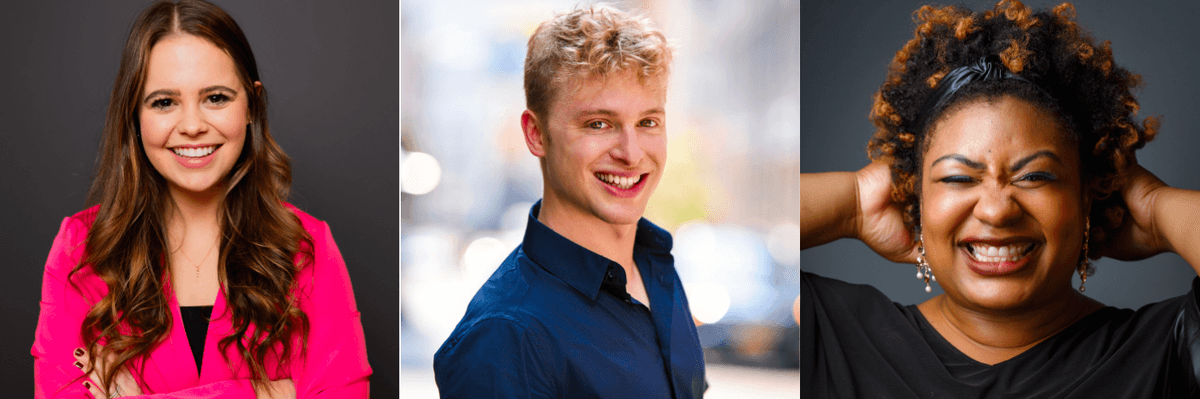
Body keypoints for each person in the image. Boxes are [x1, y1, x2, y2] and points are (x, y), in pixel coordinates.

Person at [800, 0, 1200, 397]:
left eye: (1035, 176)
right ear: (914, 200)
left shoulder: (1166, 353)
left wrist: (1154, 205)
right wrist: (854, 202)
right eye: (958, 178)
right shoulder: (832, 334)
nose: (996, 210)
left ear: (1084, 196)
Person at [30, 1, 370, 397]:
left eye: (216, 98)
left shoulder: (308, 249)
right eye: (163, 102)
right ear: (134, 117)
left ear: (251, 106)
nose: (192, 126)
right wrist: (270, 392)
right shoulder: (80, 249)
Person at [432, 4, 707, 398]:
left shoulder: (655, 265)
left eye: (648, 122)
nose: (631, 153)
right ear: (536, 134)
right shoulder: (506, 338)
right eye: (599, 124)